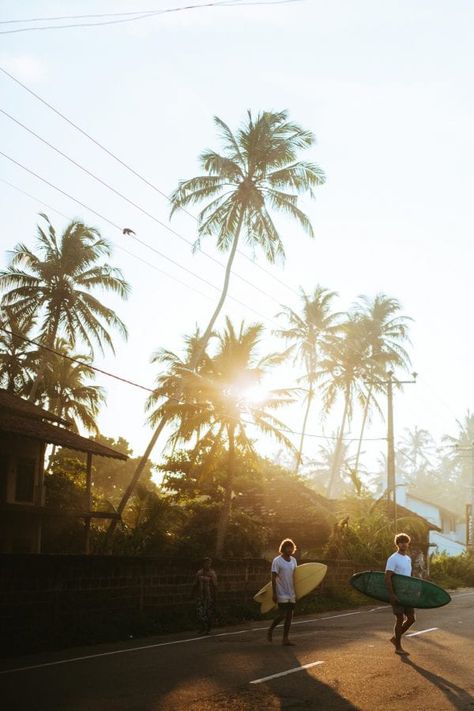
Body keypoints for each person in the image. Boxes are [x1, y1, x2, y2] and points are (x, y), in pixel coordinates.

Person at [385, 532, 416, 655]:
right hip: (397, 593)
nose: (404, 544)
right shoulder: (393, 558)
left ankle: (394, 638)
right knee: (399, 618)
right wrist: (392, 594)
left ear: (408, 543)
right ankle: (398, 647)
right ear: (397, 544)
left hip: (407, 593)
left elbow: (408, 577)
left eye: (405, 542)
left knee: (411, 619)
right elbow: (387, 577)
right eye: (401, 542)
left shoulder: (408, 559)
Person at [267, 538, 297, 646]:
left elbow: (295, 576)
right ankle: (271, 629)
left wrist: (297, 592)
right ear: (283, 548)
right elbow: (273, 577)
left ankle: (285, 639)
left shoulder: (294, 560)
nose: (290, 549)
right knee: (282, 615)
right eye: (287, 548)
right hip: (281, 591)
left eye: (291, 548)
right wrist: (274, 593)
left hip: (291, 592)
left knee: (289, 616)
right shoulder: (277, 560)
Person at [192, 557, 217, 634]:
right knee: (200, 613)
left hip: (208, 596)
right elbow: (195, 584)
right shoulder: (199, 573)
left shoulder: (212, 573)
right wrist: (192, 593)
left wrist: (215, 596)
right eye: (206, 563)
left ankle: (207, 628)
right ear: (203, 564)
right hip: (200, 596)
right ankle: (202, 627)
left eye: (209, 563)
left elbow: (215, 585)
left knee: (207, 612)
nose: (207, 565)